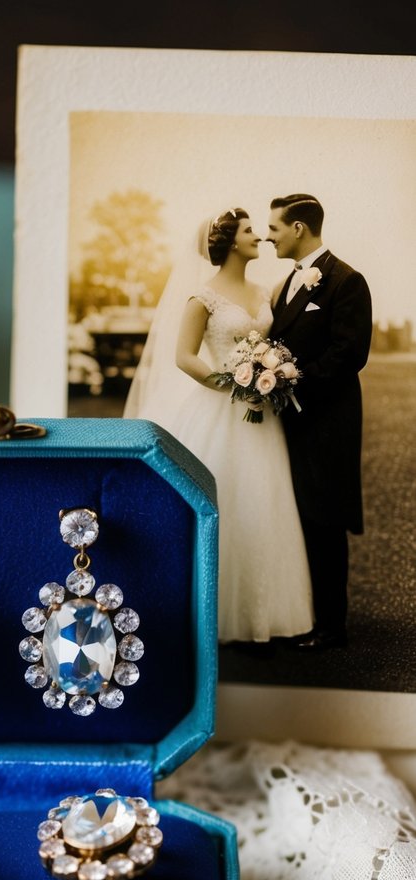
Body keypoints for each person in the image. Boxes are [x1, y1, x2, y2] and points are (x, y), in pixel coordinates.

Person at [123, 208, 313, 644]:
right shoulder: (201, 297)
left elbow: (273, 344)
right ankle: (217, 616)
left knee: (264, 502)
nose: (259, 238)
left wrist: (270, 374)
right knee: (225, 499)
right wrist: (232, 384)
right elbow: (185, 356)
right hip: (221, 408)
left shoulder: (264, 291)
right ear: (229, 242)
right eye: (249, 231)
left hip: (263, 414)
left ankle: (264, 618)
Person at [268, 194, 372, 650]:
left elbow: (350, 353)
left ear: (298, 229)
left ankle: (332, 625)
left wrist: (293, 382)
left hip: (327, 420)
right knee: (298, 517)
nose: (269, 236)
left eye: (274, 227)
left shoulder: (345, 280)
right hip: (287, 421)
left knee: (324, 518)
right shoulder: (285, 283)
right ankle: (304, 613)